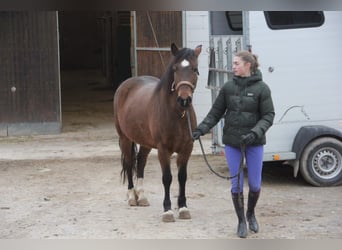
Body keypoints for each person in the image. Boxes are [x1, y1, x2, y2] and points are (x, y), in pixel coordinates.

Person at [192, 51, 275, 238]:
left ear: (248, 65)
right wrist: (201, 129)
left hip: (254, 143)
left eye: (237, 63)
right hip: (232, 142)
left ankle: (251, 213)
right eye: (233, 63)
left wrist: (255, 133)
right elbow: (215, 113)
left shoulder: (263, 89)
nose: (233, 66)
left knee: (254, 184)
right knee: (236, 185)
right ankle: (241, 221)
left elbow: (268, 116)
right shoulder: (228, 87)